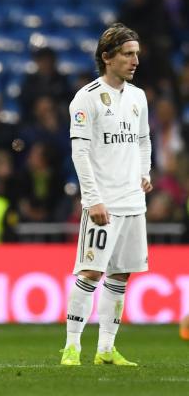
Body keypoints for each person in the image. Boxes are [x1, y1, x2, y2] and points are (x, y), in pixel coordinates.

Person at [61, 23, 152, 366]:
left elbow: (143, 140)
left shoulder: (138, 97)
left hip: (132, 202)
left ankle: (106, 350)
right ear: (107, 57)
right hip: (104, 203)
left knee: (120, 275)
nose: (135, 61)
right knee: (90, 272)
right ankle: (72, 346)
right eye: (128, 54)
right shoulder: (86, 97)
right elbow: (80, 152)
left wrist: (144, 172)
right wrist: (92, 199)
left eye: (136, 54)